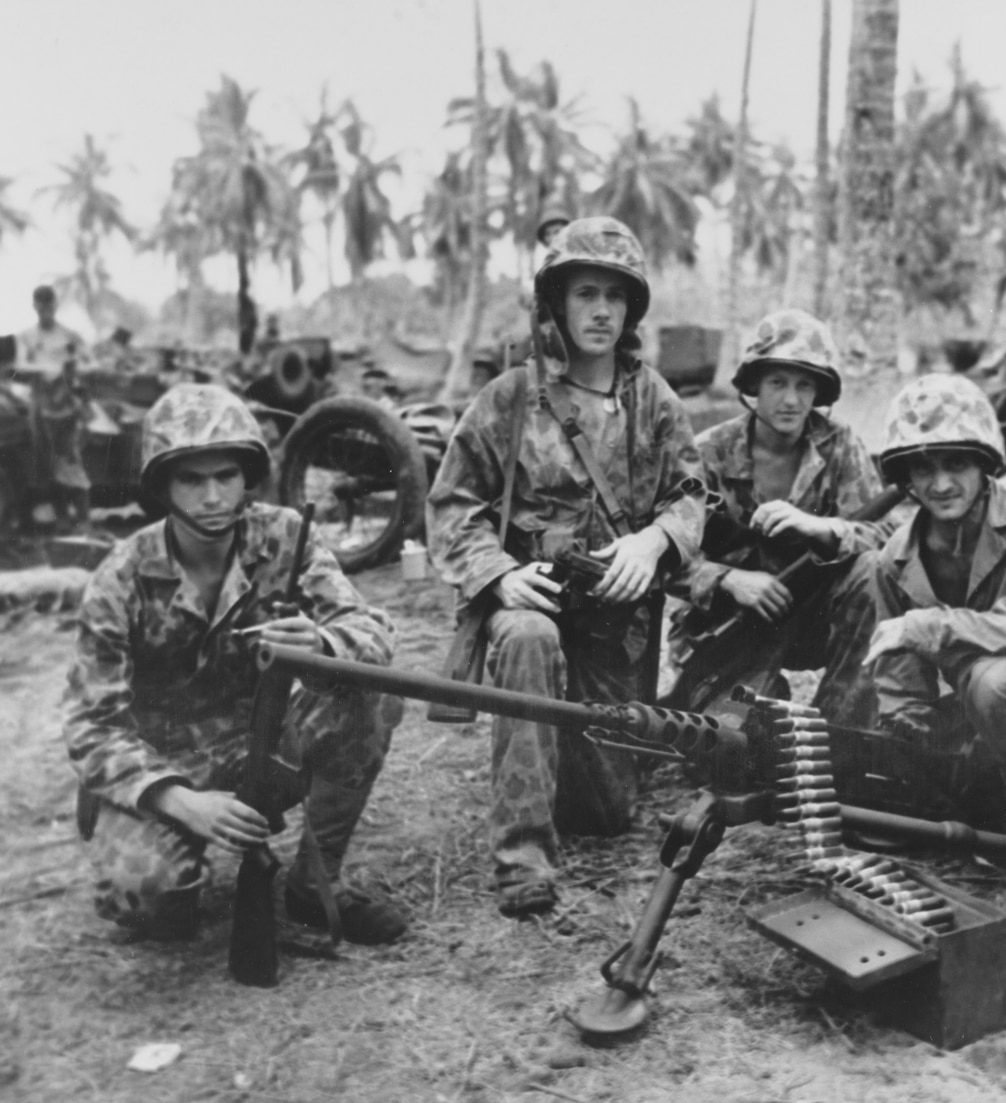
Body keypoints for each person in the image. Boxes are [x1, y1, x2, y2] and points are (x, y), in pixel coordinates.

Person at [426, 216, 705, 918]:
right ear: (557, 301)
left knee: (607, 813)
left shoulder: (655, 403)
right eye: (586, 292)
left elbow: (693, 496)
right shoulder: (510, 399)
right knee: (526, 637)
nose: (602, 310)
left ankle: (551, 772)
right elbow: (452, 502)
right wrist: (497, 575)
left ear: (632, 307)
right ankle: (522, 857)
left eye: (616, 294)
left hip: (615, 629)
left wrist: (652, 543)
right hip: (536, 603)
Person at [62, 383, 408, 945]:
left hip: (262, 743)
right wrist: (183, 802)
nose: (213, 497)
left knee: (371, 693)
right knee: (149, 901)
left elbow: (369, 630)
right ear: (162, 487)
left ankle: (313, 887)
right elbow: (89, 724)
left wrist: (322, 643)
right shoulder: (119, 578)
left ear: (247, 477)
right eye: (191, 479)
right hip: (161, 767)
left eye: (226, 475)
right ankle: (134, 833)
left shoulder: (285, 538)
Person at [860, 373, 1006, 835]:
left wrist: (931, 627)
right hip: (981, 716)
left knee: (993, 682)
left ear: (984, 463)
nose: (940, 484)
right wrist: (911, 747)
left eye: (956, 464)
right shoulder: (895, 558)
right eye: (923, 468)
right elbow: (903, 692)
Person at [667, 308, 890, 728]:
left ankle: (842, 734)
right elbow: (665, 552)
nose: (791, 400)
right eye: (777, 383)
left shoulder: (838, 445)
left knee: (873, 572)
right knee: (736, 743)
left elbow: (885, 538)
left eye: (805, 384)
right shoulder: (708, 453)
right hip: (731, 625)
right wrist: (727, 580)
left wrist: (824, 529)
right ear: (754, 385)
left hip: (812, 616)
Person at [18, 285, 93, 531]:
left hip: (66, 405)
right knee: (48, 463)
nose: (45, 310)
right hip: (40, 406)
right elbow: (18, 368)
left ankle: (83, 520)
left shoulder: (68, 336)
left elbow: (87, 362)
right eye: (40, 305)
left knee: (71, 459)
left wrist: (70, 374)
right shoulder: (27, 337)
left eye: (49, 305)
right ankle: (61, 519)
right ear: (34, 306)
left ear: (55, 306)